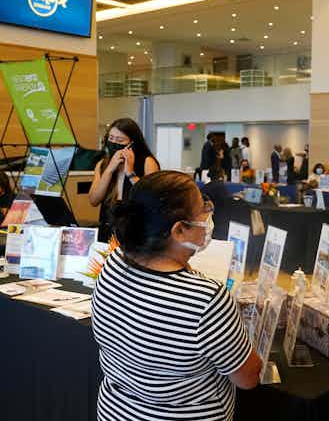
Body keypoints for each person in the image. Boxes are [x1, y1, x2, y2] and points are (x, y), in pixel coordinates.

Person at [92, 171, 262, 421]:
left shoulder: (113, 264)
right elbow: (248, 378)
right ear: (179, 231)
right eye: (203, 208)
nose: (208, 213)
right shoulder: (206, 299)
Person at [89, 118, 160, 242]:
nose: (114, 143)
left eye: (120, 140)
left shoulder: (147, 162)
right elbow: (94, 200)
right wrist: (110, 169)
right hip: (107, 230)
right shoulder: (102, 165)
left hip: (136, 231)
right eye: (110, 138)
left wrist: (130, 173)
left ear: (132, 143)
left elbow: (152, 198)